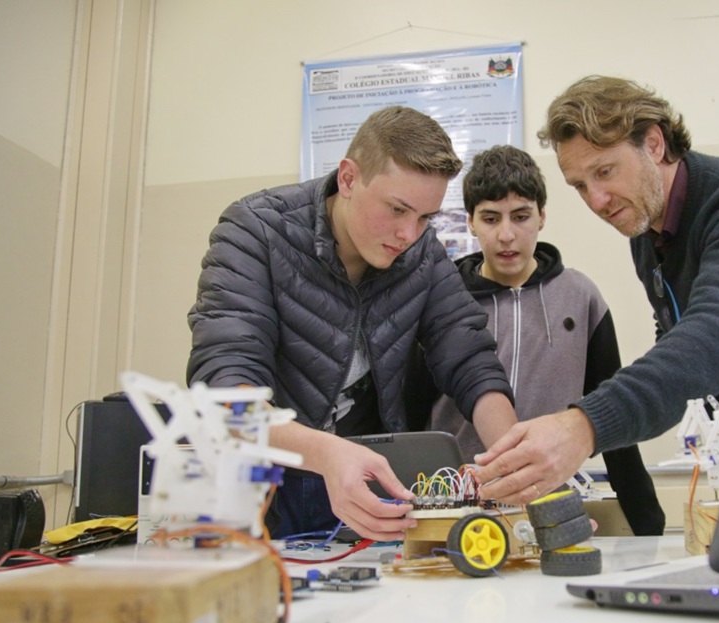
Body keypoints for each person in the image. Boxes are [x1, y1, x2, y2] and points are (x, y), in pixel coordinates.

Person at [474, 75, 719, 505]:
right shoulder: (647, 232)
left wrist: (584, 425)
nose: (598, 200)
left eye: (605, 172)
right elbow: (677, 337)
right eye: (581, 186)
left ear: (655, 144)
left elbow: (718, 337)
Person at [186, 105, 517, 542]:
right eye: (397, 209)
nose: (409, 235)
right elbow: (225, 390)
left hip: (368, 488)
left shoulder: (422, 255)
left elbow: (470, 358)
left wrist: (518, 464)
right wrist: (326, 455)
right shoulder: (255, 232)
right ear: (347, 178)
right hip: (263, 488)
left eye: (424, 218)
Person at [410, 145, 665, 535]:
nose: (507, 234)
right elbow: (411, 415)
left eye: (521, 216)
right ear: (471, 223)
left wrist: (648, 523)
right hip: (452, 509)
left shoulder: (581, 298)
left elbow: (612, 414)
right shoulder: (443, 302)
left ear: (542, 217)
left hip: (547, 507)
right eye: (491, 218)